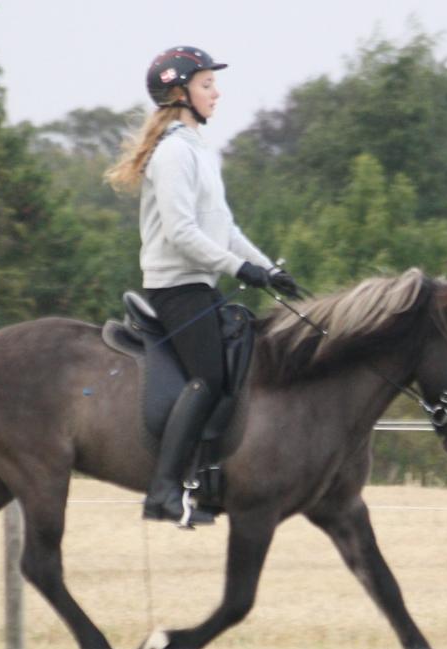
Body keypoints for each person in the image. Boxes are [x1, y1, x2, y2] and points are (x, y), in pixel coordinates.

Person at [105, 45, 301, 526]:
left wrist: (267, 270)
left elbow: (224, 228)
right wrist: (242, 271)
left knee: (243, 362)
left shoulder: (199, 151)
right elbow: (181, 233)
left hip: (201, 283)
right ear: (180, 92)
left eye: (214, 84)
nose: (217, 92)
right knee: (209, 377)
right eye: (207, 84)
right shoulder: (173, 152)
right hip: (176, 289)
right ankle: (165, 491)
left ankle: (212, 478)